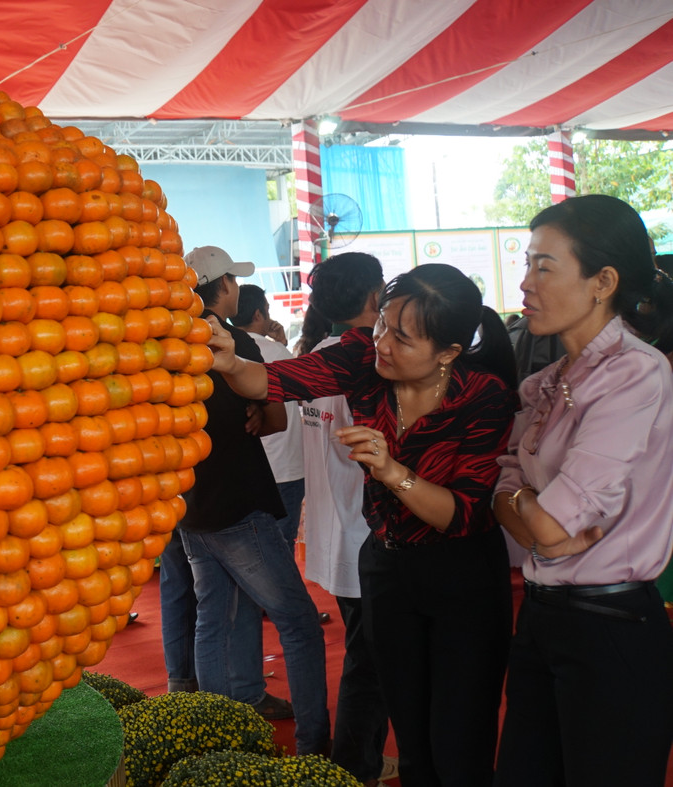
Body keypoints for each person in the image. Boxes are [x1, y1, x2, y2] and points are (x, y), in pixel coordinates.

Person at [208, 263, 518, 787]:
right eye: (382, 325)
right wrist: (231, 360)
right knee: (410, 727)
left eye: (403, 337)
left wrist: (392, 471)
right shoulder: (360, 356)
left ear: (448, 352)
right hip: (387, 565)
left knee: (460, 735)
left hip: (462, 575)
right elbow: (274, 380)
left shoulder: (483, 396)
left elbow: (461, 515)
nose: (383, 343)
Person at [492, 194, 673, 787]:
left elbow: (545, 526)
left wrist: (532, 517)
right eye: (526, 263)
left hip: (612, 625)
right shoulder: (546, 381)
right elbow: (507, 492)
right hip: (543, 618)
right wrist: (528, 511)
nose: (525, 283)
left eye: (544, 267)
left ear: (603, 281)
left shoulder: (636, 373)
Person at [176, 245, 329, 755]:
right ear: (221, 288)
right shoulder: (237, 343)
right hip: (241, 502)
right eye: (233, 282)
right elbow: (276, 416)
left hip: (192, 507)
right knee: (300, 623)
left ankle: (217, 748)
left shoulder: (168, 345)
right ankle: (313, 747)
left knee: (213, 618)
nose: (238, 289)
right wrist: (255, 416)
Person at [296, 253, 394, 787]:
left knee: (366, 657)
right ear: (375, 297)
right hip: (364, 533)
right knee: (370, 665)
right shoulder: (366, 360)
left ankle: (364, 761)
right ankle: (354, 769)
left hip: (336, 532)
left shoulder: (318, 355)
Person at [231, 284, 305, 549]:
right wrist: (280, 346)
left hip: (245, 470)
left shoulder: (224, 348)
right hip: (284, 469)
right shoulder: (276, 352)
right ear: (259, 315)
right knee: (280, 549)